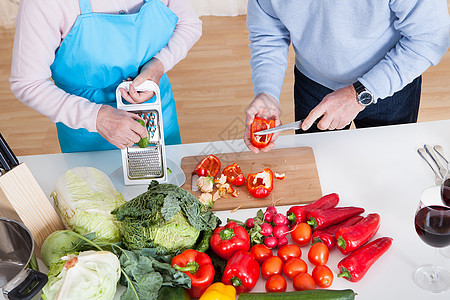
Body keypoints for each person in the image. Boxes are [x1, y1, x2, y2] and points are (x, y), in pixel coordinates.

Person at [244, 0, 450, 153]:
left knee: (387, 169)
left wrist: (358, 94)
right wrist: (267, 91)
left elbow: (430, 37)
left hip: (389, 86)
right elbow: (267, 33)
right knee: (320, 167)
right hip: (313, 84)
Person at [10, 0, 201, 152]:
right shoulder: (42, 4)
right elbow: (28, 82)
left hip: (156, 111)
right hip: (88, 132)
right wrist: (97, 118)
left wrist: (158, 65)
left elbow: (188, 24)